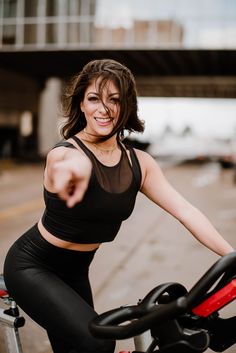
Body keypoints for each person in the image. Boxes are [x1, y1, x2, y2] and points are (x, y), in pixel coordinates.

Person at [3, 59, 234, 353]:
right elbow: (65, 165)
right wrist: (75, 171)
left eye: (114, 99)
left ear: (127, 106)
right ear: (82, 105)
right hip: (33, 266)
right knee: (98, 341)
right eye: (94, 98)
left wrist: (231, 254)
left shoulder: (140, 163)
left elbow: (186, 211)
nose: (103, 108)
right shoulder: (65, 154)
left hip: (76, 272)